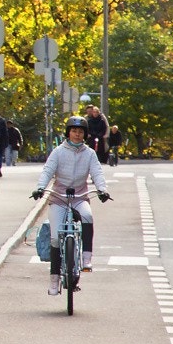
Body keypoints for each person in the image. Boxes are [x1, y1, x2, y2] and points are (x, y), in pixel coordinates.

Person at [30, 116, 112, 296]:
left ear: (85, 134)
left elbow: (97, 172)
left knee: (87, 217)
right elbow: (48, 170)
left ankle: (86, 258)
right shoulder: (58, 152)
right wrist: (40, 188)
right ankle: (54, 279)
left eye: (80, 132)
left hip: (80, 196)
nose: (77, 134)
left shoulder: (89, 153)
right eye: (74, 131)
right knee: (54, 238)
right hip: (59, 197)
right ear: (68, 133)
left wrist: (102, 190)